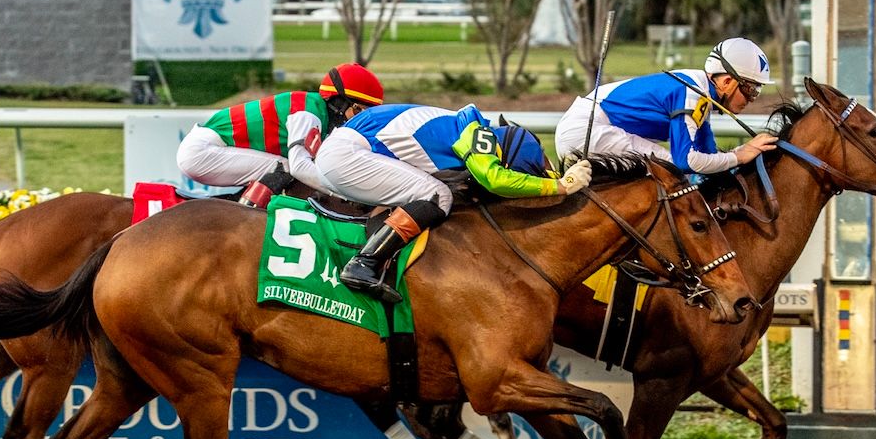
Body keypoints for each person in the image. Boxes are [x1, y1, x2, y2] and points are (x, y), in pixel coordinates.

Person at [316, 102, 592, 302]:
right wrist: (560, 186)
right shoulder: (478, 133)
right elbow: (495, 179)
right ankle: (364, 263)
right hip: (348, 154)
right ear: (508, 156)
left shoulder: (461, 128)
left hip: (345, 152)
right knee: (437, 195)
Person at [554, 37, 778, 176]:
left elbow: (708, 153)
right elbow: (687, 161)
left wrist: (738, 159)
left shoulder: (701, 94)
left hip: (588, 128)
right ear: (727, 81)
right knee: (670, 170)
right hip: (587, 129)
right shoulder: (693, 94)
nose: (752, 99)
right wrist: (739, 155)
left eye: (757, 91)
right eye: (750, 89)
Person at [176, 63, 385, 207]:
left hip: (209, 148)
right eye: (357, 110)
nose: (357, 120)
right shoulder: (307, 113)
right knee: (286, 168)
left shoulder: (315, 110)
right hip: (203, 152)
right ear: (338, 102)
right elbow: (300, 167)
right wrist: (348, 193)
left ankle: (244, 207)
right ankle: (246, 212)